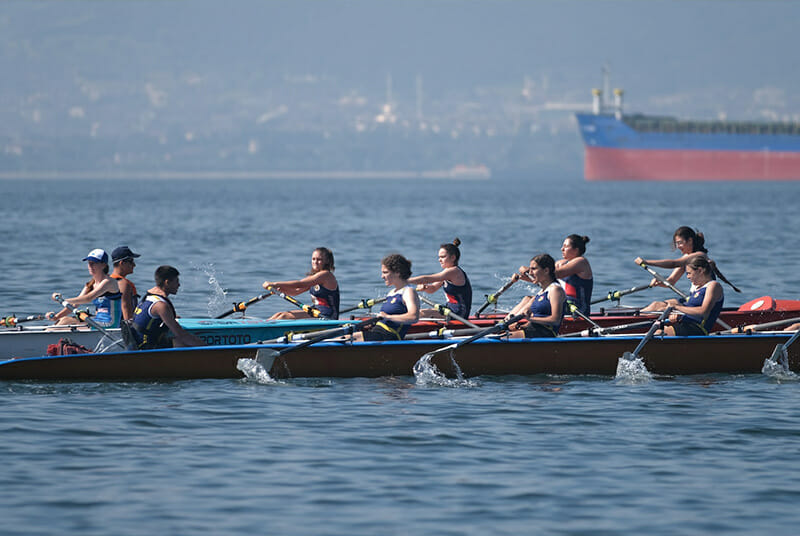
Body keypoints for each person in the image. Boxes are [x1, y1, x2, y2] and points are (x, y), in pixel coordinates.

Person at [634, 226, 739, 312]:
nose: (678, 246)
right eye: (676, 243)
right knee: (655, 305)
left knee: (661, 307)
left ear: (690, 241)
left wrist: (647, 262)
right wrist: (659, 282)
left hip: (703, 300)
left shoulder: (699, 256)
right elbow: (671, 281)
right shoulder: (686, 259)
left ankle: (636, 320)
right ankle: (636, 317)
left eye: (680, 243)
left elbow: (674, 263)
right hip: (693, 298)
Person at [513, 234, 593, 316]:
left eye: (565, 246)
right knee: (527, 299)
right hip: (560, 302)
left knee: (534, 301)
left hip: (577, 310)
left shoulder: (581, 262)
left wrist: (528, 269)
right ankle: (506, 321)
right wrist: (522, 277)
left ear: (576, 250)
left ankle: (514, 323)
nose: (562, 249)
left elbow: (554, 274)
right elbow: (543, 277)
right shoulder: (560, 263)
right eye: (563, 246)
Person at [129, 265, 204, 349]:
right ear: (167, 282)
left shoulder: (149, 296)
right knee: (181, 342)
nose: (179, 285)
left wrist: (170, 318)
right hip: (145, 348)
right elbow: (181, 334)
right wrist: (207, 348)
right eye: (176, 281)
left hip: (139, 342)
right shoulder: (160, 305)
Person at [47, 248, 122, 328]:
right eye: (89, 263)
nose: (90, 266)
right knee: (64, 320)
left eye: (94, 263)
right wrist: (57, 317)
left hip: (110, 323)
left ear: (103, 265)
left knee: (66, 323)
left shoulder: (109, 282)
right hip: (97, 321)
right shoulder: (90, 284)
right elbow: (75, 304)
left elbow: (88, 298)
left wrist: (63, 300)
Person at [354, 254, 420, 341]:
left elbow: (413, 317)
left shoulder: (408, 292)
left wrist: (388, 317)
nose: (382, 276)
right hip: (377, 332)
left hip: (389, 336)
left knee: (346, 338)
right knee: (345, 335)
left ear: (397, 272)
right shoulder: (391, 293)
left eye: (385, 272)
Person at [262, 247, 340, 320]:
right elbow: (295, 291)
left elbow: (300, 284)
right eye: (313, 259)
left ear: (326, 261)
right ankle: (262, 327)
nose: (315, 262)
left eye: (319, 259)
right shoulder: (314, 277)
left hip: (327, 316)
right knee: (278, 314)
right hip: (316, 311)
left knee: (284, 316)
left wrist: (274, 284)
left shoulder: (326, 275)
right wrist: (280, 290)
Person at [658, 256, 724, 336]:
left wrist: (677, 307)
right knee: (657, 324)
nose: (687, 277)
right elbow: (689, 309)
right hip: (685, 324)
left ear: (700, 270)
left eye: (689, 273)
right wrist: (677, 314)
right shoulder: (696, 288)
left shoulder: (713, 286)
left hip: (697, 328)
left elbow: (703, 312)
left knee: (658, 333)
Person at [407, 238, 472, 318]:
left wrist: (406, 280)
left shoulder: (454, 271)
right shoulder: (447, 272)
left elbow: (427, 279)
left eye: (443, 257)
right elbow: (433, 288)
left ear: (453, 258)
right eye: (439, 257)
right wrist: (425, 287)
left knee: (420, 313)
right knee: (418, 312)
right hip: (449, 309)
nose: (439, 260)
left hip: (459, 313)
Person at [507, 254, 566, 338]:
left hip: (544, 334)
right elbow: (539, 316)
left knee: (498, 339)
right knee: (495, 335)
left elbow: (555, 320)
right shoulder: (542, 291)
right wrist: (523, 325)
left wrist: (530, 319)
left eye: (533, 269)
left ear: (546, 270)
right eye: (530, 269)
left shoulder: (555, 290)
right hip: (532, 330)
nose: (530, 273)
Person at [110, 246, 141, 321]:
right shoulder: (124, 284)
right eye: (131, 261)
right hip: (120, 328)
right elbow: (127, 316)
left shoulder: (106, 281)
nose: (134, 265)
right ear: (122, 263)